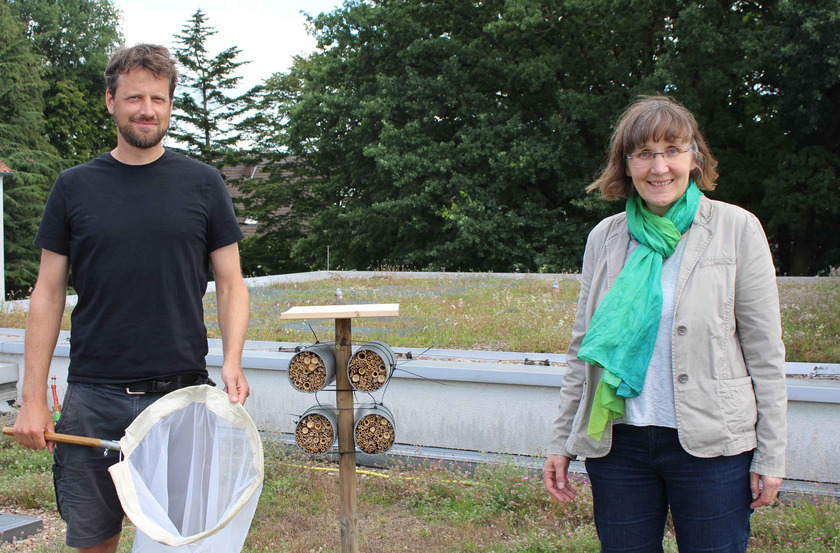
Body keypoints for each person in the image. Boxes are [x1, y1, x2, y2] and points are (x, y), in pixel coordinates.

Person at [13, 44, 250, 553]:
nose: (147, 109)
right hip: (93, 399)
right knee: (95, 542)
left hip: (180, 400)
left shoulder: (204, 184)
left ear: (170, 104)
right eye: (135, 98)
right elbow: (47, 294)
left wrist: (232, 360)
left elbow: (231, 283)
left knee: (179, 542)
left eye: (159, 99)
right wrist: (32, 399)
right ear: (110, 101)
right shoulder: (73, 187)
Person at [542, 96, 787, 553]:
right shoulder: (606, 238)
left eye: (672, 150)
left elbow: (765, 354)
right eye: (645, 153)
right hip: (619, 446)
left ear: (694, 157)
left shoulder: (737, 228)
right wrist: (562, 441)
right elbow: (583, 349)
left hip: (713, 445)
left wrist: (771, 454)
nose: (660, 167)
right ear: (627, 164)